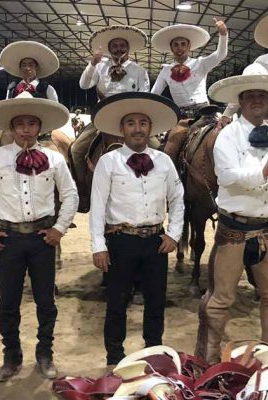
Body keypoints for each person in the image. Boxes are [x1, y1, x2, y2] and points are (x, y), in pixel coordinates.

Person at [195, 63, 268, 364]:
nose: (257, 100)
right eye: (251, 96)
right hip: (234, 227)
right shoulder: (227, 136)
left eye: (262, 95)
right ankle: (207, 363)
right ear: (241, 101)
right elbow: (227, 176)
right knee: (220, 300)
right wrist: (265, 169)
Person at [0, 92, 78, 381]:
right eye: (20, 123)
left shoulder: (55, 159)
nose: (25, 129)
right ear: (12, 127)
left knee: (46, 301)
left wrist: (59, 227)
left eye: (31, 123)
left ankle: (45, 354)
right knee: (8, 302)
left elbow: (70, 194)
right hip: (10, 239)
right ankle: (12, 356)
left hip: (43, 239)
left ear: (39, 126)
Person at [88, 92, 184, 368]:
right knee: (117, 302)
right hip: (121, 240)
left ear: (150, 129)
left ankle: (153, 351)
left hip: (155, 240)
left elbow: (177, 198)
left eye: (143, 122)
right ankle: (114, 357)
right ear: (122, 129)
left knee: (156, 301)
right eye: (131, 123)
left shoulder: (164, 161)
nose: (137, 128)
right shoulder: (109, 162)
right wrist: (99, 245)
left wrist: (173, 234)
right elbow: (98, 204)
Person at [71, 25, 151, 212]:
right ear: (109, 48)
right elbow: (84, 84)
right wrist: (92, 63)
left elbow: (145, 94)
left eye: (122, 45)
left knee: (156, 147)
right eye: (114, 46)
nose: (118, 49)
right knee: (76, 149)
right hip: (103, 116)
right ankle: (83, 194)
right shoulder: (99, 66)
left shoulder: (139, 70)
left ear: (128, 48)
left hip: (131, 118)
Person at [150, 18, 228, 118]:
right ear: (171, 48)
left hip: (204, 110)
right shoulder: (165, 71)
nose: (180, 48)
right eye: (176, 45)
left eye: (183, 44)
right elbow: (155, 93)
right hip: (180, 114)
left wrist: (223, 34)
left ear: (189, 46)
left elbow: (220, 54)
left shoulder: (201, 63)